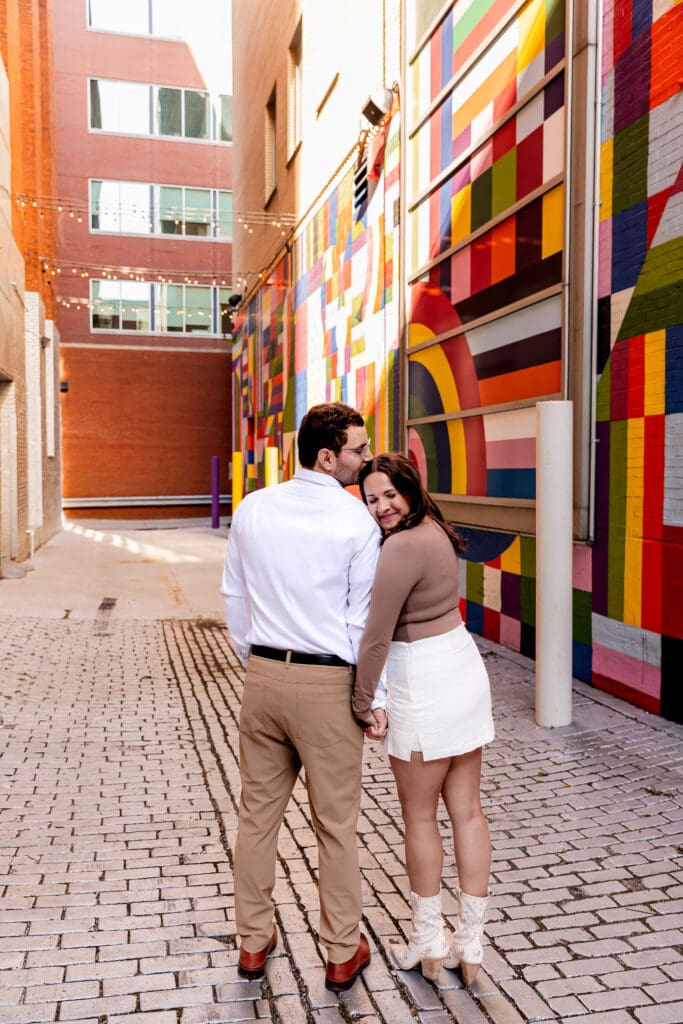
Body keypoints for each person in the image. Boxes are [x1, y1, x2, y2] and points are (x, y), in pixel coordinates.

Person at [221, 402, 385, 993]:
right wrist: (373, 699)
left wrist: (260, 663)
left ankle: (252, 944)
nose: (365, 459)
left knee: (256, 819)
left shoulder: (253, 508)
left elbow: (234, 600)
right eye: (358, 450)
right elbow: (362, 625)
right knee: (337, 825)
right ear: (326, 456)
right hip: (327, 687)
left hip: (262, 679)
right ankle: (342, 953)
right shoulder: (356, 523)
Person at [352, 453, 494, 985]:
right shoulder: (435, 528)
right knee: (468, 810)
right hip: (460, 668)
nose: (381, 506)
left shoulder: (400, 547)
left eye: (389, 494)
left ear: (408, 488)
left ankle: (428, 941)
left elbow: (376, 636)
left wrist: (363, 703)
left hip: (422, 681)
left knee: (419, 817)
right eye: (371, 498)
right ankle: (471, 943)